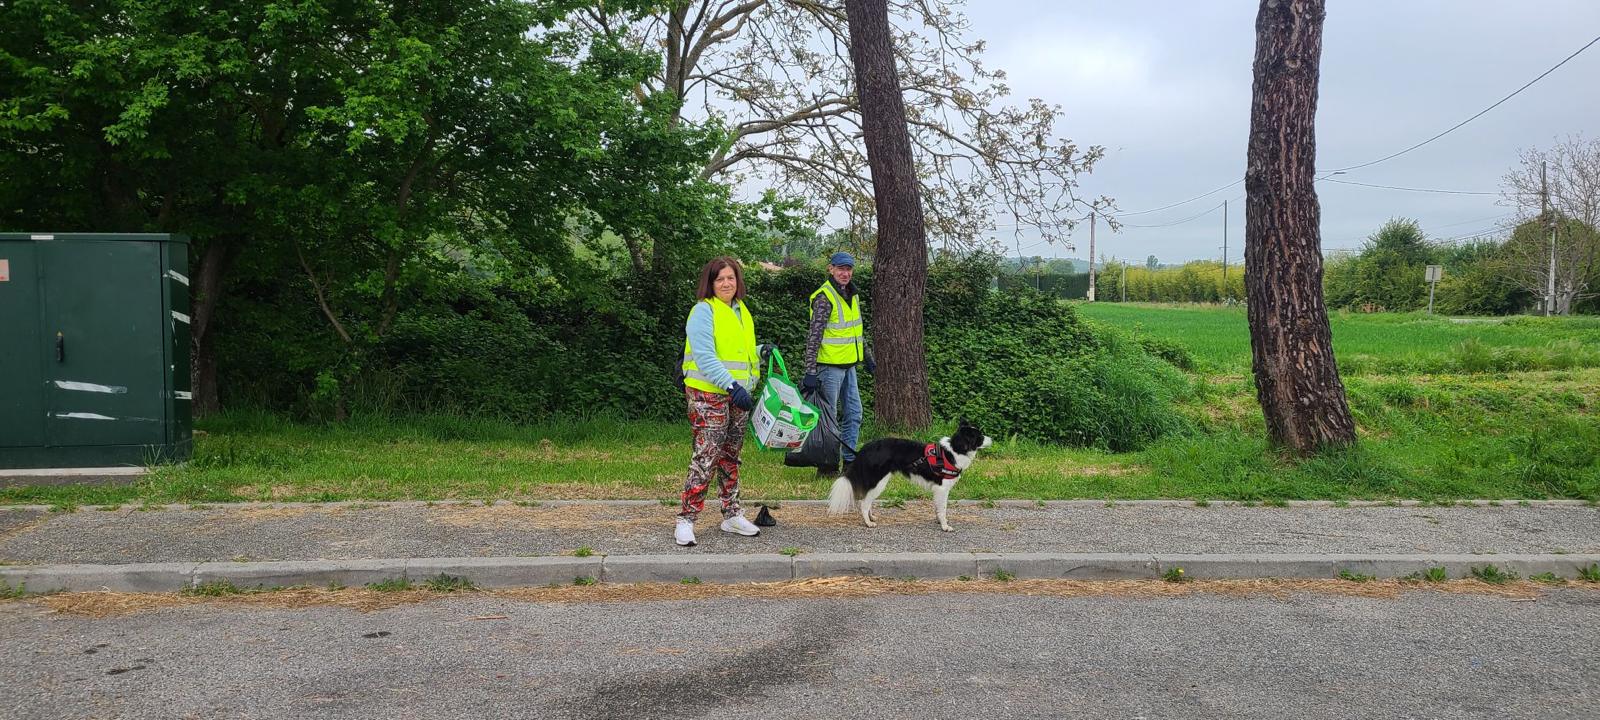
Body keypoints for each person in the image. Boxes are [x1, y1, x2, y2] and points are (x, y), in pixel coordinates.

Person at [675, 257, 764, 547]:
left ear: (738, 281)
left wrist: (761, 351)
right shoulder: (703, 310)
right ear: (710, 283)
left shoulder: (741, 310)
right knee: (706, 457)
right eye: (720, 279)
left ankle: (732, 514)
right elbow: (705, 355)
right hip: (708, 394)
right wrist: (731, 385)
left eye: (731, 278)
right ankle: (686, 519)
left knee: (730, 456)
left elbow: (737, 352)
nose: (726, 283)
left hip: (738, 396)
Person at [801, 251, 874, 474]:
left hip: (849, 366)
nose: (845, 273)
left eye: (848, 269)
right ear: (830, 269)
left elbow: (855, 332)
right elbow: (814, 336)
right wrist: (810, 371)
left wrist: (868, 357)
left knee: (854, 413)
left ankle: (849, 463)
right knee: (829, 418)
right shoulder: (825, 297)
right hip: (829, 368)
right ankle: (827, 465)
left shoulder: (853, 295)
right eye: (841, 269)